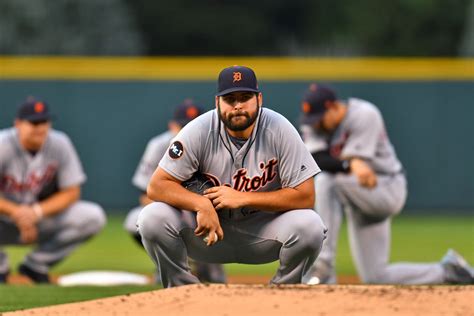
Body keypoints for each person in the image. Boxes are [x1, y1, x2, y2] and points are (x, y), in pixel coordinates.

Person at [137, 65, 327, 288]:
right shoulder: (198, 130)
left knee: (311, 225)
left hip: (263, 232)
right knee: (151, 217)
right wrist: (200, 204)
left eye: (245, 97)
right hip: (207, 233)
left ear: (259, 99)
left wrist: (244, 197)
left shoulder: (279, 129)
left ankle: (283, 291)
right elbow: (157, 186)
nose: (237, 105)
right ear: (217, 102)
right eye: (229, 99)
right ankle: (182, 292)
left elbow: (306, 197)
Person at [299, 83, 474, 285]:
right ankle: (449, 272)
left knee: (327, 182)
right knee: (376, 277)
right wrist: (348, 164)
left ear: (333, 107)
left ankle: (324, 266)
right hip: (356, 195)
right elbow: (318, 160)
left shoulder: (363, 114)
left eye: (320, 118)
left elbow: (361, 169)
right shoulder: (314, 124)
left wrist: (349, 163)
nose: (315, 124)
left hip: (384, 188)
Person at [0, 98, 106, 284]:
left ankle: (36, 264)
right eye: (34, 122)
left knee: (92, 216)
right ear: (18, 124)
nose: (40, 128)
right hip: (4, 221)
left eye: (44, 122)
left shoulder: (60, 143)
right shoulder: (2, 144)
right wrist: (17, 212)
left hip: (39, 219)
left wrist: (35, 212)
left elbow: (72, 191)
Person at [124, 99, 227, 284]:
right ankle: (169, 261)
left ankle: (211, 268)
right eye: (183, 125)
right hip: (176, 210)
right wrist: (181, 207)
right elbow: (146, 195)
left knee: (216, 281)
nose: (188, 130)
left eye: (195, 124)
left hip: (215, 213)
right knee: (136, 220)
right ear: (172, 125)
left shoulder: (220, 144)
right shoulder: (159, 145)